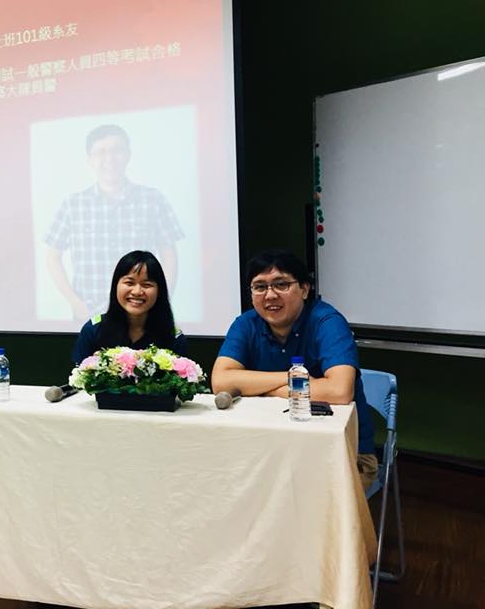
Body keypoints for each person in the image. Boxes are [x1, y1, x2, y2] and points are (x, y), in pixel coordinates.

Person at [211, 249, 378, 489]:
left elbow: (339, 391)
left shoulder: (327, 322)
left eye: (281, 284)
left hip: (342, 453)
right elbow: (221, 382)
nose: (270, 295)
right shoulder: (246, 323)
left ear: (305, 289)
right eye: (260, 287)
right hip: (268, 447)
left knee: (301, 501)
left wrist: (261, 389)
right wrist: (292, 377)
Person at [45, 124, 183, 321]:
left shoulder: (152, 199)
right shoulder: (73, 204)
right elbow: (53, 257)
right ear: (90, 159)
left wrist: (161, 302)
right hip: (88, 314)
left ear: (128, 154)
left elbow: (169, 255)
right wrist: (74, 302)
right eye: (101, 152)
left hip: (141, 314)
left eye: (116, 150)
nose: (109, 158)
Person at [72, 250, 188, 364]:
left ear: (159, 291)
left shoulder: (173, 337)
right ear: (116, 286)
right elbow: (79, 373)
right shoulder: (93, 330)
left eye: (147, 285)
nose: (137, 291)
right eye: (129, 283)